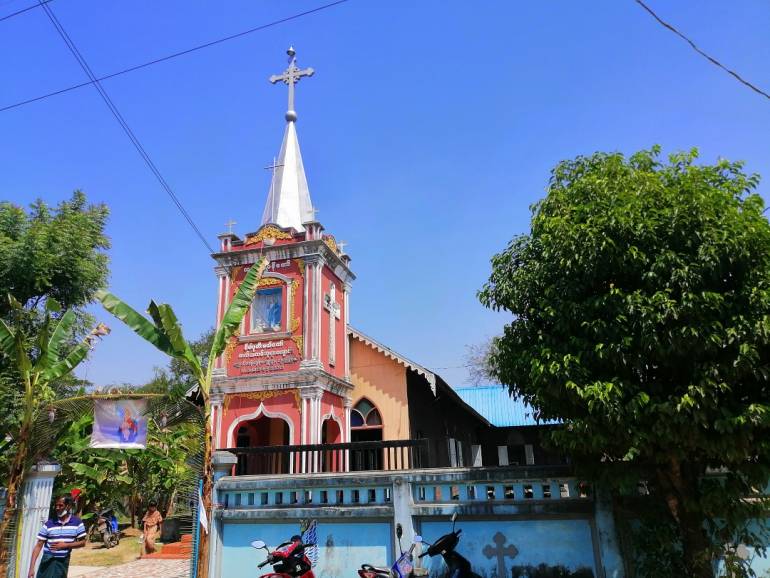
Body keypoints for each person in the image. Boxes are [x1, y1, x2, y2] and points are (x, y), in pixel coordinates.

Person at [27, 495, 86, 578]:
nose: (57, 508)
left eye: (60, 505)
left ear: (68, 506)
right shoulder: (49, 524)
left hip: (62, 562)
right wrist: (31, 569)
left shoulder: (77, 523)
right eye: (56, 505)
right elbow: (38, 546)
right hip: (47, 561)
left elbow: (83, 542)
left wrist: (66, 545)